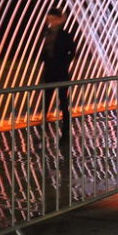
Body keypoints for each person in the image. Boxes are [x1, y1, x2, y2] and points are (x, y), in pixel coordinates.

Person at [40, 7, 76, 137]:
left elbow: (72, 51)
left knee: (63, 99)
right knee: (46, 98)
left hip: (61, 71)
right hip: (49, 70)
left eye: (54, 19)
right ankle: (43, 123)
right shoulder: (46, 33)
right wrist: (44, 60)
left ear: (60, 20)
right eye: (49, 19)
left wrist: (64, 62)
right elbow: (44, 50)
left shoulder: (65, 35)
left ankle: (66, 125)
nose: (51, 22)